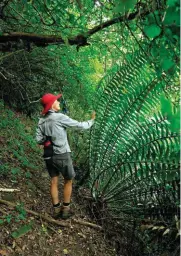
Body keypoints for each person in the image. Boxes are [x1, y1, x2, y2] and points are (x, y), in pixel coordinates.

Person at [36, 93, 95, 220]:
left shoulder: (41, 120)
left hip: (48, 155)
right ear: (52, 105)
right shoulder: (59, 117)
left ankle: (56, 210)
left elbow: (38, 139)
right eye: (57, 101)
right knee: (68, 180)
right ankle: (65, 211)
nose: (59, 103)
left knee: (54, 181)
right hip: (62, 154)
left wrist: (48, 140)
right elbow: (80, 125)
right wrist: (92, 121)